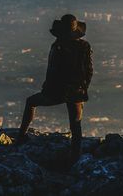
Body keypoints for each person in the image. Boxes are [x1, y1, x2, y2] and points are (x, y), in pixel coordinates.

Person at [16, 14, 93, 164]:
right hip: (76, 91)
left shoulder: (57, 46)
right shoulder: (84, 46)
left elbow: (52, 72)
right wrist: (83, 89)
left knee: (31, 102)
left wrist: (48, 90)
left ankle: (21, 137)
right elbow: (89, 71)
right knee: (76, 124)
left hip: (56, 91)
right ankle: (75, 157)